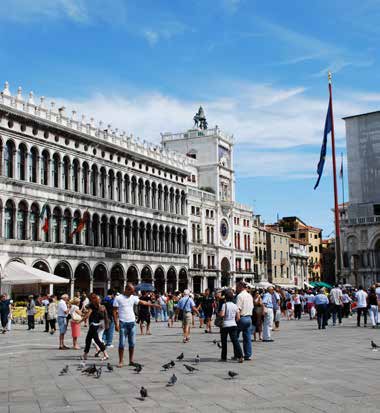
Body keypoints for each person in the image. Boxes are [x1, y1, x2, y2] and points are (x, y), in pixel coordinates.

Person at [113, 283, 161, 368]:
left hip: (132, 323)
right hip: (123, 323)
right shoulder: (118, 298)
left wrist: (154, 305)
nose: (133, 293)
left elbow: (143, 302)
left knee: (132, 343)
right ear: (126, 289)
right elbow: (114, 311)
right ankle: (121, 361)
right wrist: (116, 324)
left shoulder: (133, 297)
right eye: (131, 291)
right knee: (121, 344)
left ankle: (131, 361)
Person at [218, 289, 243, 363]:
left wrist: (219, 314)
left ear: (225, 297)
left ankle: (223, 357)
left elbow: (222, 315)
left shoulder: (224, 305)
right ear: (232, 298)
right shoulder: (235, 306)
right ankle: (240, 356)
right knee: (235, 341)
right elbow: (238, 318)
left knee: (224, 341)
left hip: (225, 325)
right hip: (233, 325)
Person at [82, 293, 109, 361]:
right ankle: (85, 355)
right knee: (88, 339)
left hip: (94, 325)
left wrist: (79, 321)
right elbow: (86, 307)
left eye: (91, 299)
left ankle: (105, 354)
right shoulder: (97, 305)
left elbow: (88, 315)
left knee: (96, 340)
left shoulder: (95, 306)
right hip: (94, 324)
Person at [236, 282, 253, 360]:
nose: (236, 288)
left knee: (235, 337)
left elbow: (238, 309)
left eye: (237, 287)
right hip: (249, 318)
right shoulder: (249, 295)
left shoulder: (239, 296)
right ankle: (248, 354)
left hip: (242, 318)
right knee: (247, 337)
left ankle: (238, 355)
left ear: (240, 287)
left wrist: (237, 319)